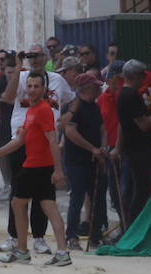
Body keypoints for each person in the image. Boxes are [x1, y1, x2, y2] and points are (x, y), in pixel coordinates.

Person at [0, 69, 71, 266]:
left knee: (19, 204)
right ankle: (62, 252)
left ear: (44, 88)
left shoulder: (43, 110)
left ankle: (22, 250)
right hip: (39, 167)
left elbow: (53, 141)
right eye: (29, 86)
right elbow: (19, 140)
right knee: (48, 207)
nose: (31, 90)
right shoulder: (31, 110)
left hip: (36, 167)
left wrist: (59, 170)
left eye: (36, 86)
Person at [0, 46, 69, 254]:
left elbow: (72, 99)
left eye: (36, 55)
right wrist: (18, 69)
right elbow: (7, 97)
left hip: (45, 140)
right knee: (18, 192)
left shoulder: (56, 79)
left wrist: (66, 120)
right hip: (22, 139)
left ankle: (38, 238)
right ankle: (15, 237)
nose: (33, 59)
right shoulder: (22, 77)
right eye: (29, 56)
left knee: (43, 196)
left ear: (44, 57)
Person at [62, 71, 107, 249]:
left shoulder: (94, 107)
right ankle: (71, 236)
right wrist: (92, 148)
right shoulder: (73, 107)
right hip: (76, 161)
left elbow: (102, 129)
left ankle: (96, 235)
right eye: (96, 85)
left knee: (98, 198)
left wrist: (103, 147)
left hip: (95, 160)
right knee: (77, 197)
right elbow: (70, 132)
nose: (99, 88)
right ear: (88, 87)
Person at [115, 59, 151, 229]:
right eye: (142, 75)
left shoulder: (123, 94)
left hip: (131, 149)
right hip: (139, 149)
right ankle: (135, 226)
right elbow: (144, 124)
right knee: (142, 189)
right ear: (135, 76)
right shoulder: (131, 95)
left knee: (135, 189)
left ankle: (131, 226)